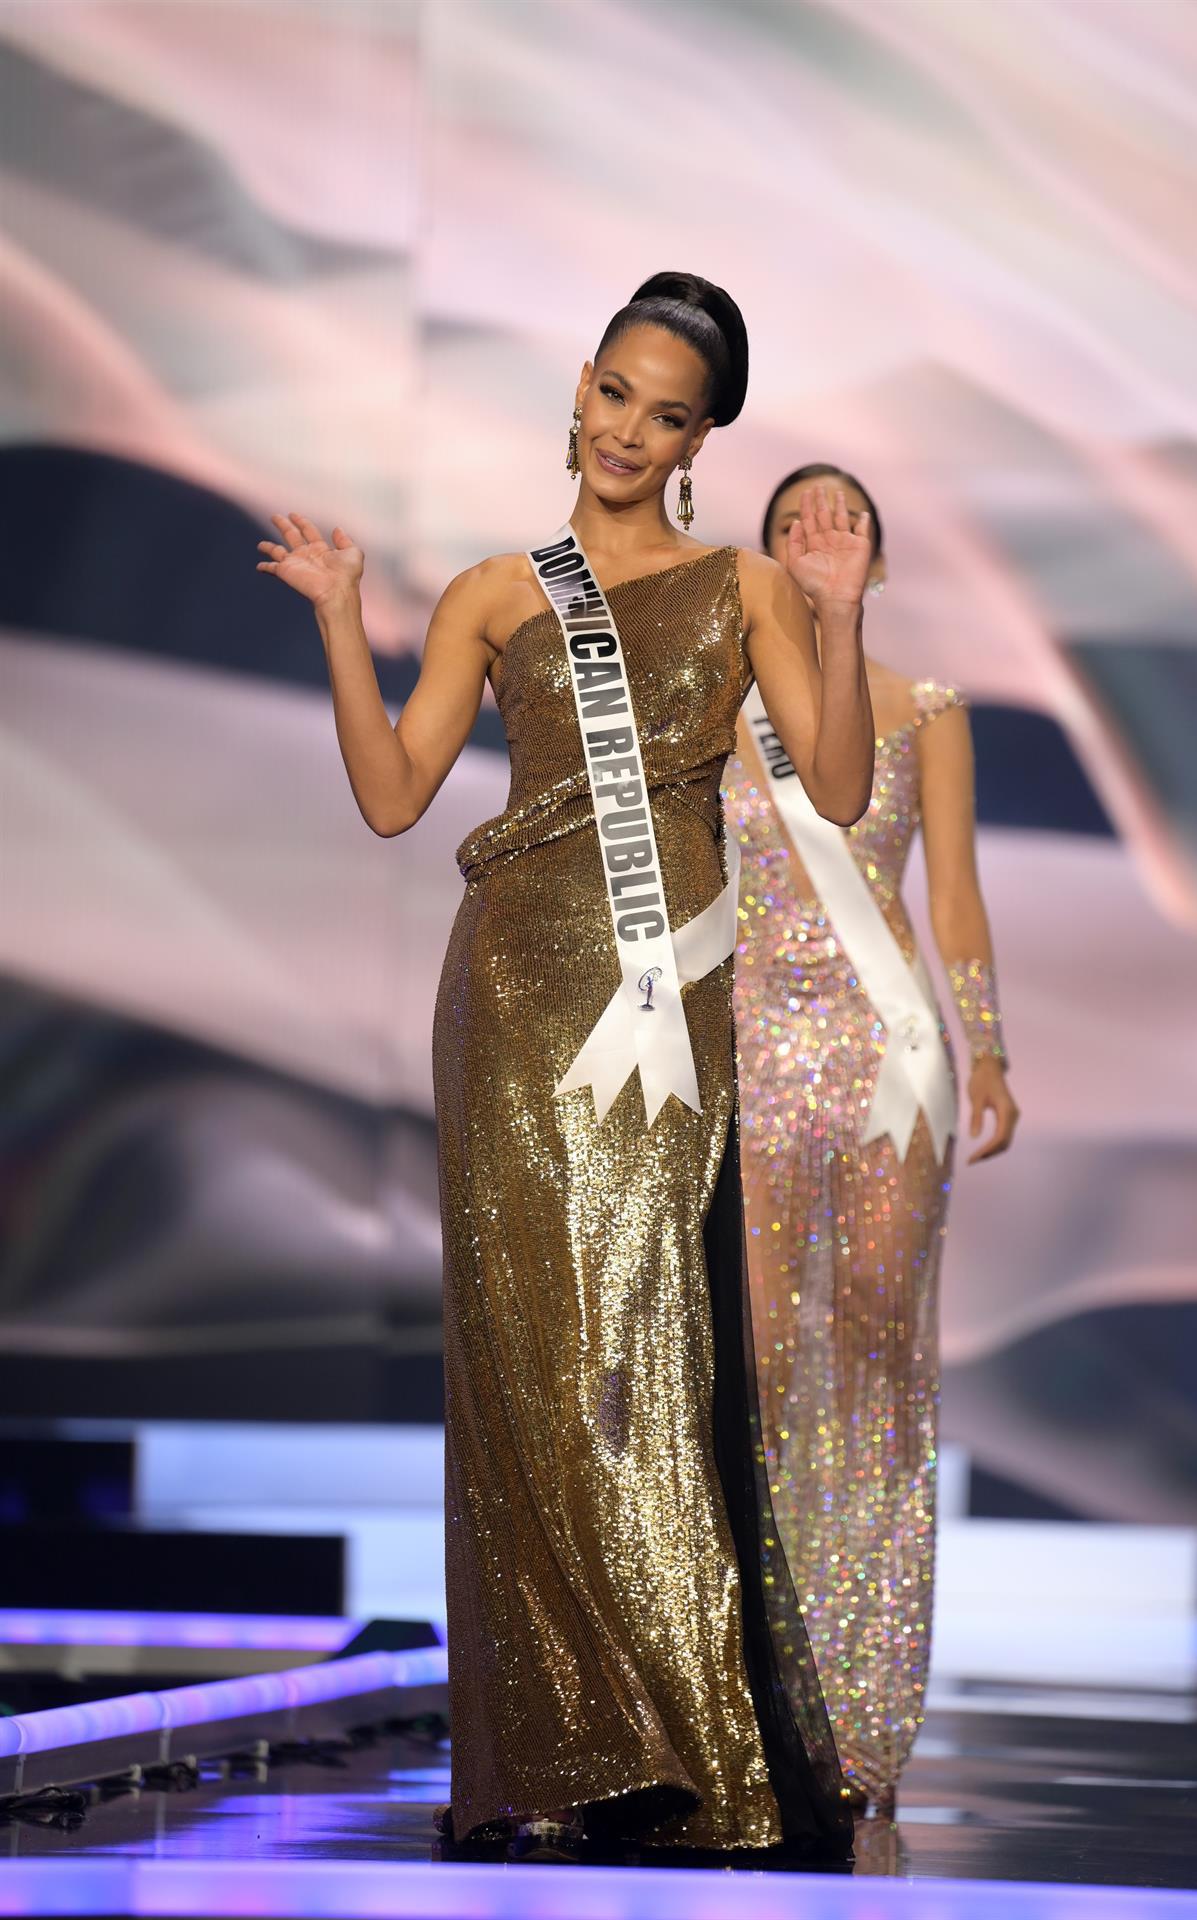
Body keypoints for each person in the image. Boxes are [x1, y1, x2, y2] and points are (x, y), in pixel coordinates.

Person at [255, 280, 875, 1861]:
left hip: (657, 1006)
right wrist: (340, 618)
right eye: (614, 392)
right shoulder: (489, 592)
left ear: (699, 436)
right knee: (523, 1363)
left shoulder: (739, 583)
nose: (626, 429)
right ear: (580, 388)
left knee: (638, 1354)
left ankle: (673, 1735)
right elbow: (396, 795)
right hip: (516, 994)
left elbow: (842, 780)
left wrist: (840, 613)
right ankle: (549, 1750)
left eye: (665, 413)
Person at [725, 462, 1020, 1818]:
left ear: (877, 565)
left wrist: (989, 1049)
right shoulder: (715, 707)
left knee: (876, 1356)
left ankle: (864, 1701)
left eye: (841, 522)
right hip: (745, 1051)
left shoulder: (927, 711)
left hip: (887, 1058)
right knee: (759, 1360)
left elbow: (948, 893)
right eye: (791, 523)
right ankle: (758, 1692)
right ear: (762, 559)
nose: (814, 538)